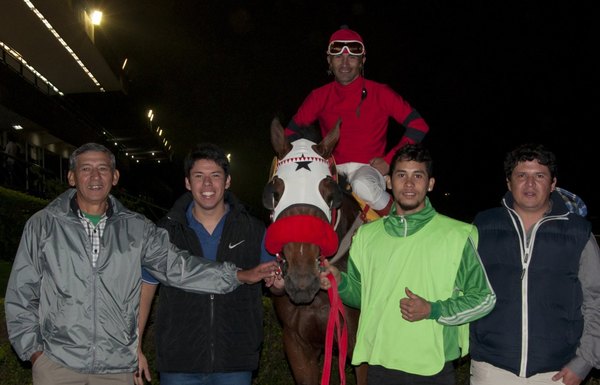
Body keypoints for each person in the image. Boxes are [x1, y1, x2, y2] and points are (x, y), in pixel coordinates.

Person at [4, 142, 278, 385]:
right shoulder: (42, 226)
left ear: (115, 176)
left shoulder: (138, 229)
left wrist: (238, 276)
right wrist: (34, 353)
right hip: (57, 366)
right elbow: (21, 292)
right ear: (72, 177)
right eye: (86, 169)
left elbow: (179, 268)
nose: (95, 176)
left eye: (103, 168)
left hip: (115, 370)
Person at [319, 143, 496, 384]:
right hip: (379, 365)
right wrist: (340, 283)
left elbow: (484, 298)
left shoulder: (455, 235)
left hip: (432, 368)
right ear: (389, 182)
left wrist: (433, 310)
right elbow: (363, 295)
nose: (409, 184)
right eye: (402, 175)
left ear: (430, 183)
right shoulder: (367, 237)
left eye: (418, 176)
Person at [137, 143, 284, 385]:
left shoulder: (254, 229)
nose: (207, 185)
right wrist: (136, 345)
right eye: (199, 176)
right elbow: (146, 289)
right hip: (178, 361)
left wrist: (278, 283)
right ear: (187, 182)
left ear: (227, 182)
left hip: (234, 361)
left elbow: (275, 283)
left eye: (215, 176)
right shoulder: (165, 231)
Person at [469, 143, 600, 385]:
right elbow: (463, 288)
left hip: (558, 370)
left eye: (539, 176)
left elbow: (596, 299)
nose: (530, 184)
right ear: (509, 182)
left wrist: (584, 362)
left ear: (552, 184)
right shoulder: (483, 226)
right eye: (522, 175)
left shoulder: (578, 232)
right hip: (491, 366)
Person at [285, 26, 429, 217]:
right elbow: (289, 134)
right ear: (329, 61)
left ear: (362, 61)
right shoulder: (318, 96)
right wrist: (315, 158)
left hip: (368, 171)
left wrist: (390, 161)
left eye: (352, 57)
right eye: (338, 57)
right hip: (331, 171)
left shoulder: (380, 92)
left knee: (362, 185)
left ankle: (403, 222)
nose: (345, 63)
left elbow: (418, 125)